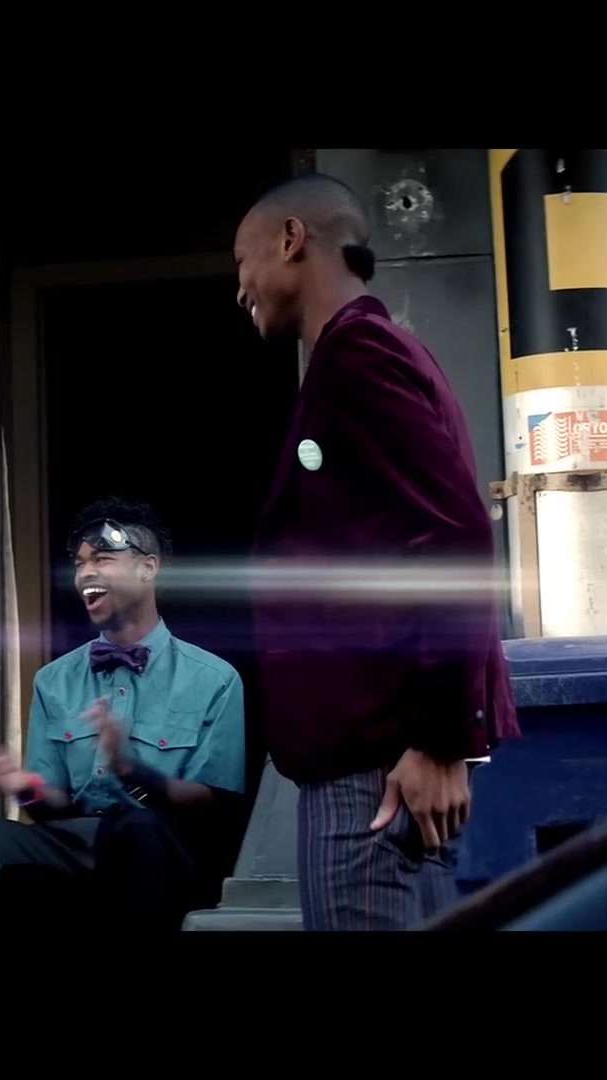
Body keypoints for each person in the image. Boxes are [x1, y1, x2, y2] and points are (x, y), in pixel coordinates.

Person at [233, 173, 520, 931]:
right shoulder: (386, 351)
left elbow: (453, 536)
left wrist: (438, 739)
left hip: (374, 778)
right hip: (393, 768)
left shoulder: (357, 356)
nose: (240, 288)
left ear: (291, 240)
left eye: (243, 262)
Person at [0, 499, 247, 932]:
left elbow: (213, 804)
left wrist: (131, 770)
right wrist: (25, 788)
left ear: (147, 568)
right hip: (77, 842)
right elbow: (50, 807)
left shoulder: (214, 679)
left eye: (103, 559)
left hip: (166, 849)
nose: (85, 573)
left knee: (137, 828)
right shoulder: (54, 680)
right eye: (79, 563)